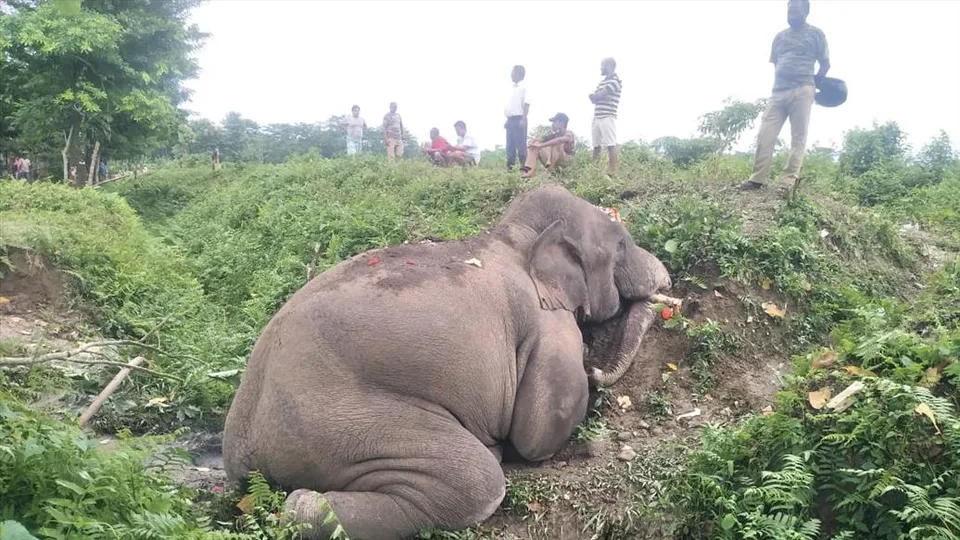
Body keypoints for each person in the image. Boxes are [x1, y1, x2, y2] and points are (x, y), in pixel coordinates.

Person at [742, 0, 829, 194]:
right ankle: (757, 179)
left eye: (796, 11)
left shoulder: (816, 34)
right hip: (778, 92)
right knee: (765, 134)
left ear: (806, 12)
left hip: (804, 89)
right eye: (789, 11)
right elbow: (776, 63)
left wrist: (815, 82)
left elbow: (825, 64)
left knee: (798, 137)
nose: (792, 15)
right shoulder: (779, 37)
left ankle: (787, 182)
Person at [589, 57, 622, 177]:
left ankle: (611, 171)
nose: (601, 68)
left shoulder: (615, 81)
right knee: (596, 145)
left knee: (610, 145)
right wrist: (598, 96)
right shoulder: (603, 82)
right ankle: (594, 171)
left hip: (608, 116)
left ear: (609, 66)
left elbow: (597, 96)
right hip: (597, 116)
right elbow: (595, 98)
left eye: (602, 65)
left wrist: (598, 96)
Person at [520, 113, 576, 179]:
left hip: (566, 162)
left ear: (562, 123)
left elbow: (559, 140)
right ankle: (529, 170)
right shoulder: (555, 134)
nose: (552, 124)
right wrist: (533, 142)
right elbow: (541, 139)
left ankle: (549, 172)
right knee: (536, 144)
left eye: (555, 122)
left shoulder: (569, 133)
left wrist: (541, 146)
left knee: (555, 143)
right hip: (555, 162)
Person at [504, 65, 530, 171]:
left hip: (519, 118)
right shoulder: (511, 89)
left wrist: (523, 119)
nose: (511, 74)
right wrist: (507, 120)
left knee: (521, 144)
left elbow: (526, 104)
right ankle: (510, 168)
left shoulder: (524, 88)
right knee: (510, 144)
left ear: (518, 73)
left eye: (512, 72)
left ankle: (524, 167)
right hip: (510, 119)